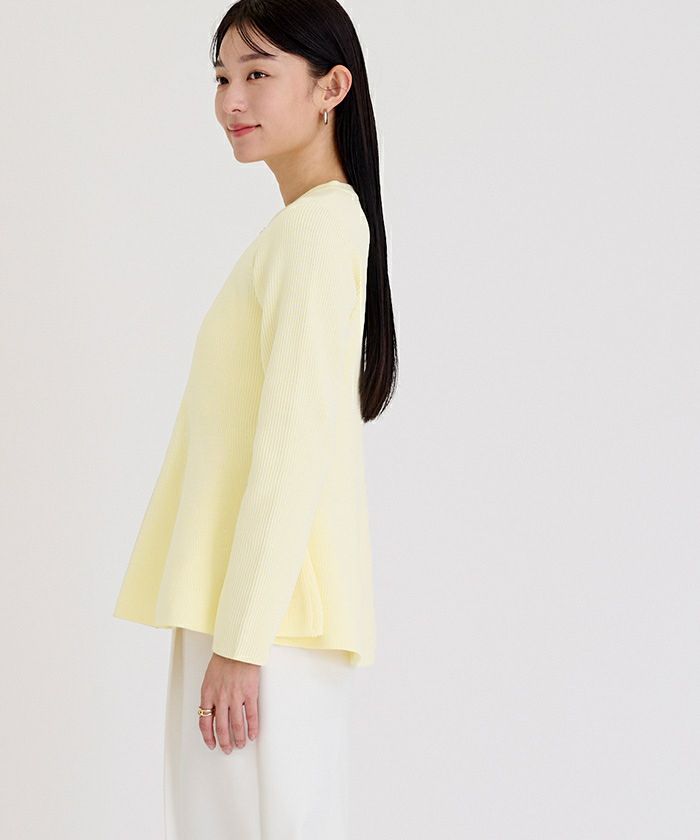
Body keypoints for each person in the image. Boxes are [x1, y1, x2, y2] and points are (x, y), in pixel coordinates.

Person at [112, 0, 397, 836]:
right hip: (252, 616)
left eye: (258, 73)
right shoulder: (305, 231)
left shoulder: (318, 233)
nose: (231, 100)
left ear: (331, 88)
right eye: (222, 77)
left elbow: (292, 452)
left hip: (264, 627)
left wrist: (241, 643)